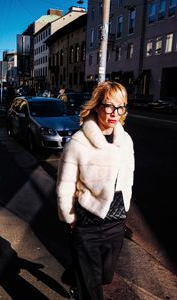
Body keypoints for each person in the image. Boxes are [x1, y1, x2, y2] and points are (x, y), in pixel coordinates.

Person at [56, 81, 135, 300]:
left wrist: (126, 206)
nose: (114, 113)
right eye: (109, 106)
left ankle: (76, 277)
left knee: (105, 275)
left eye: (120, 107)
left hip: (116, 220)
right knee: (92, 290)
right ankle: (82, 283)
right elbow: (65, 185)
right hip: (88, 222)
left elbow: (128, 177)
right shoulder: (78, 143)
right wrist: (70, 218)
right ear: (97, 106)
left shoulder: (126, 140)